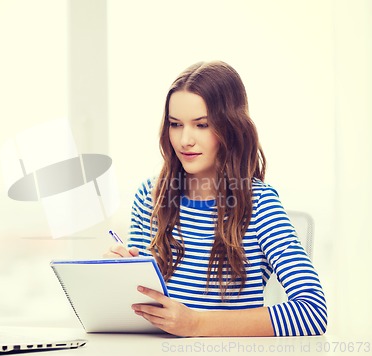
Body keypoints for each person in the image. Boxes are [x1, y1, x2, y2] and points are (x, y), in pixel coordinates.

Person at [105, 61, 327, 337]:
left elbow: (312, 311)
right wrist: (117, 279)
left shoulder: (259, 204)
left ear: (231, 128)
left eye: (201, 125)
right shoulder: (150, 197)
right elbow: (144, 311)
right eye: (175, 124)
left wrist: (196, 324)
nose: (185, 140)